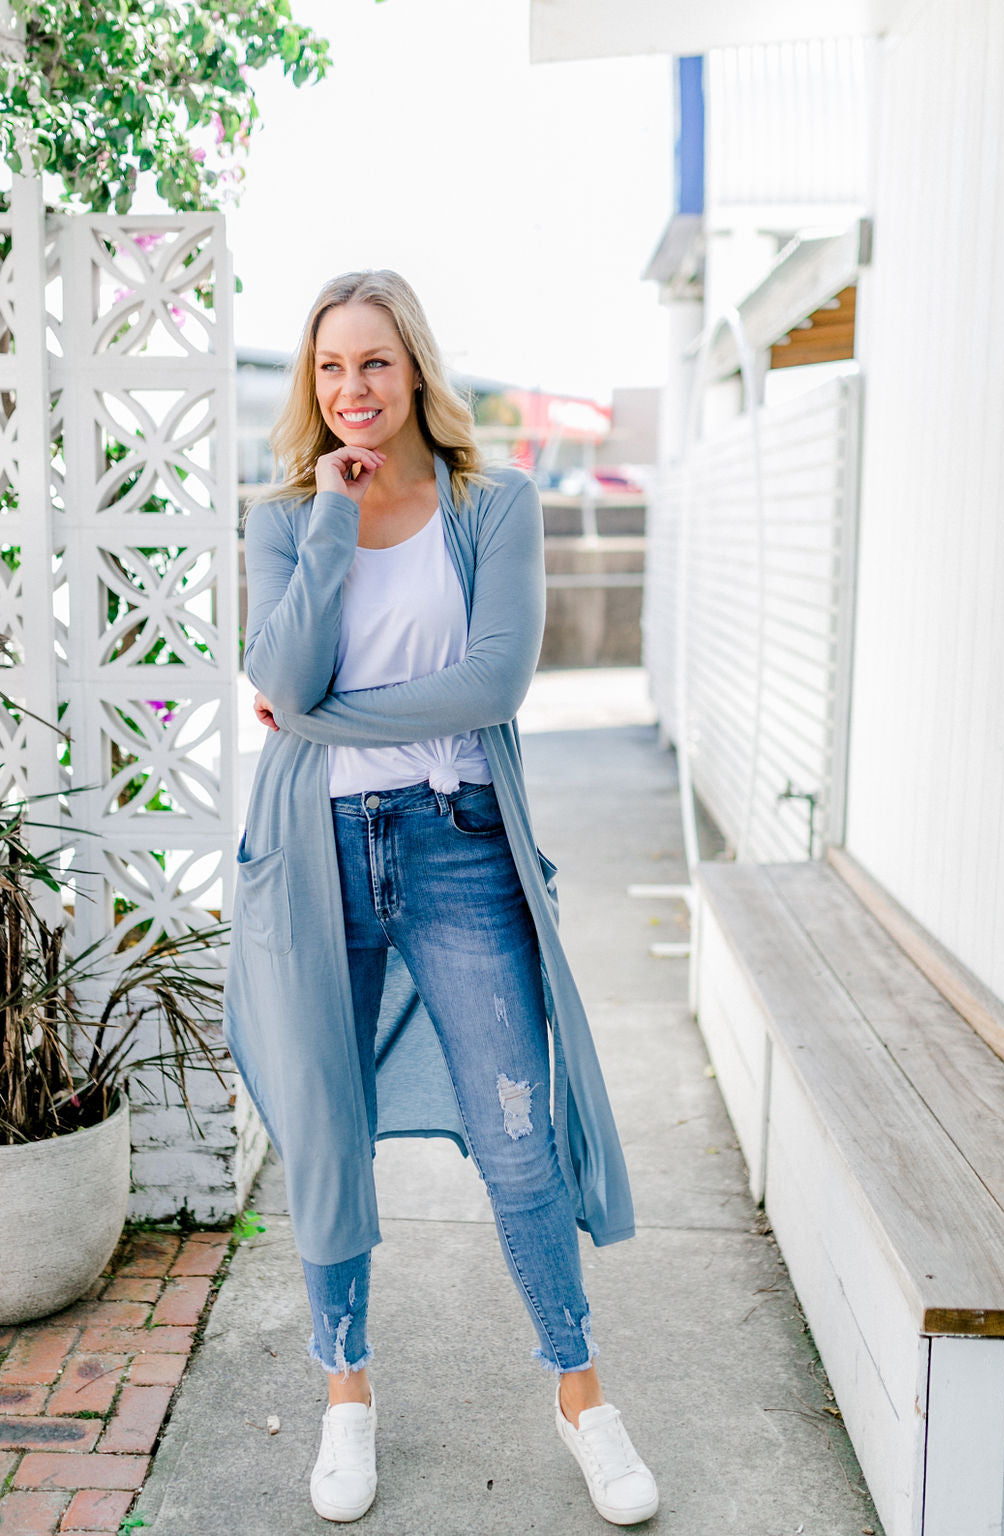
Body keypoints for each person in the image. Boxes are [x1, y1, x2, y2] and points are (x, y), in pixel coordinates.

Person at [224, 270, 658, 1527]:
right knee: (325, 1134)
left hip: (460, 843)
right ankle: (345, 1395)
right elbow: (282, 656)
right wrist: (325, 527)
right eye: (326, 370)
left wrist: (314, 717)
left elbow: (489, 688)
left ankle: (579, 1391)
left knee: (517, 1137)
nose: (348, 391)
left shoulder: (493, 501)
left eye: (371, 363)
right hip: (316, 854)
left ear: (413, 367)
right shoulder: (282, 515)